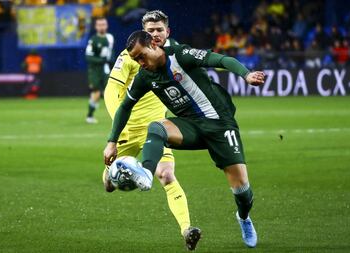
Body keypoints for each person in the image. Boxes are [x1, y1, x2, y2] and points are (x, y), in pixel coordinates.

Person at [104, 30, 265, 248]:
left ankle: (244, 218)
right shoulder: (145, 76)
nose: (140, 63)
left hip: (220, 125)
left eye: (141, 56)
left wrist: (245, 74)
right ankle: (147, 174)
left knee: (243, 192)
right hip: (191, 126)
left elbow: (221, 59)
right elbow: (125, 107)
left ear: (153, 44)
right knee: (157, 127)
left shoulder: (180, 55)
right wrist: (112, 141)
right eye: (135, 60)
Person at [102, 10, 200, 251]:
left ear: (167, 31)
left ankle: (187, 229)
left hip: (155, 131)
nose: (154, 35)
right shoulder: (128, 57)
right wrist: (117, 128)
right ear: (143, 33)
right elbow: (110, 91)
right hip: (126, 131)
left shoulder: (173, 54)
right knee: (108, 183)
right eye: (150, 31)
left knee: (166, 175)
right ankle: (121, 173)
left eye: (158, 30)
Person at [85, 17, 114, 124]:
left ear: (107, 25)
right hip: (95, 70)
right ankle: (90, 115)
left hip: (106, 69)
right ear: (96, 26)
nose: (102, 26)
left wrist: (111, 62)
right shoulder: (93, 40)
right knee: (96, 93)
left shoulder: (110, 38)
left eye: (103, 24)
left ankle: (116, 116)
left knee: (112, 91)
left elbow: (111, 53)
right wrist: (101, 60)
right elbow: (88, 56)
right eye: (99, 24)